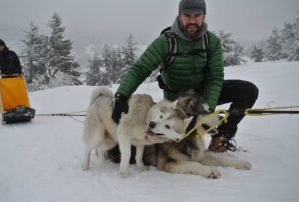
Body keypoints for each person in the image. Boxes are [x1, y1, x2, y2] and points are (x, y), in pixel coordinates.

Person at [110, 0, 258, 152]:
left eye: (197, 15)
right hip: (177, 102)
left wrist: (206, 108)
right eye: (187, 15)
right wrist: (121, 97)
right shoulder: (166, 42)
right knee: (136, 151)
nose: (192, 21)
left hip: (203, 96)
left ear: (204, 16)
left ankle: (221, 138)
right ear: (180, 16)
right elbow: (140, 69)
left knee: (248, 91)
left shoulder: (211, 42)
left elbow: (215, 77)